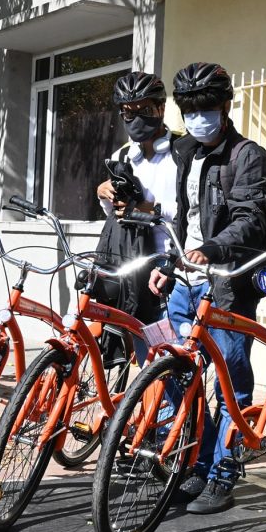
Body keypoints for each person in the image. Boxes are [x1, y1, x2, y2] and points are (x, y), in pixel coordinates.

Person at [147, 62, 266, 515]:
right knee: (185, 377)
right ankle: (196, 465)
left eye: (206, 107)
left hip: (227, 284)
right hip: (186, 282)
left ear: (225, 105)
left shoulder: (247, 156)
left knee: (230, 383)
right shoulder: (185, 153)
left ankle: (224, 472)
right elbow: (182, 218)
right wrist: (168, 262)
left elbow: (250, 218)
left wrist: (213, 249)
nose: (199, 116)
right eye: (190, 108)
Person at [94, 71, 179, 361]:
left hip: (169, 272)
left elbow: (191, 214)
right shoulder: (123, 156)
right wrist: (105, 194)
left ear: (161, 108)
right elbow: (115, 216)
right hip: (132, 269)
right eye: (127, 112)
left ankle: (173, 406)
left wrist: (149, 211)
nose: (135, 117)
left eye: (143, 110)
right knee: (144, 356)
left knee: (168, 357)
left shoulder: (181, 155)